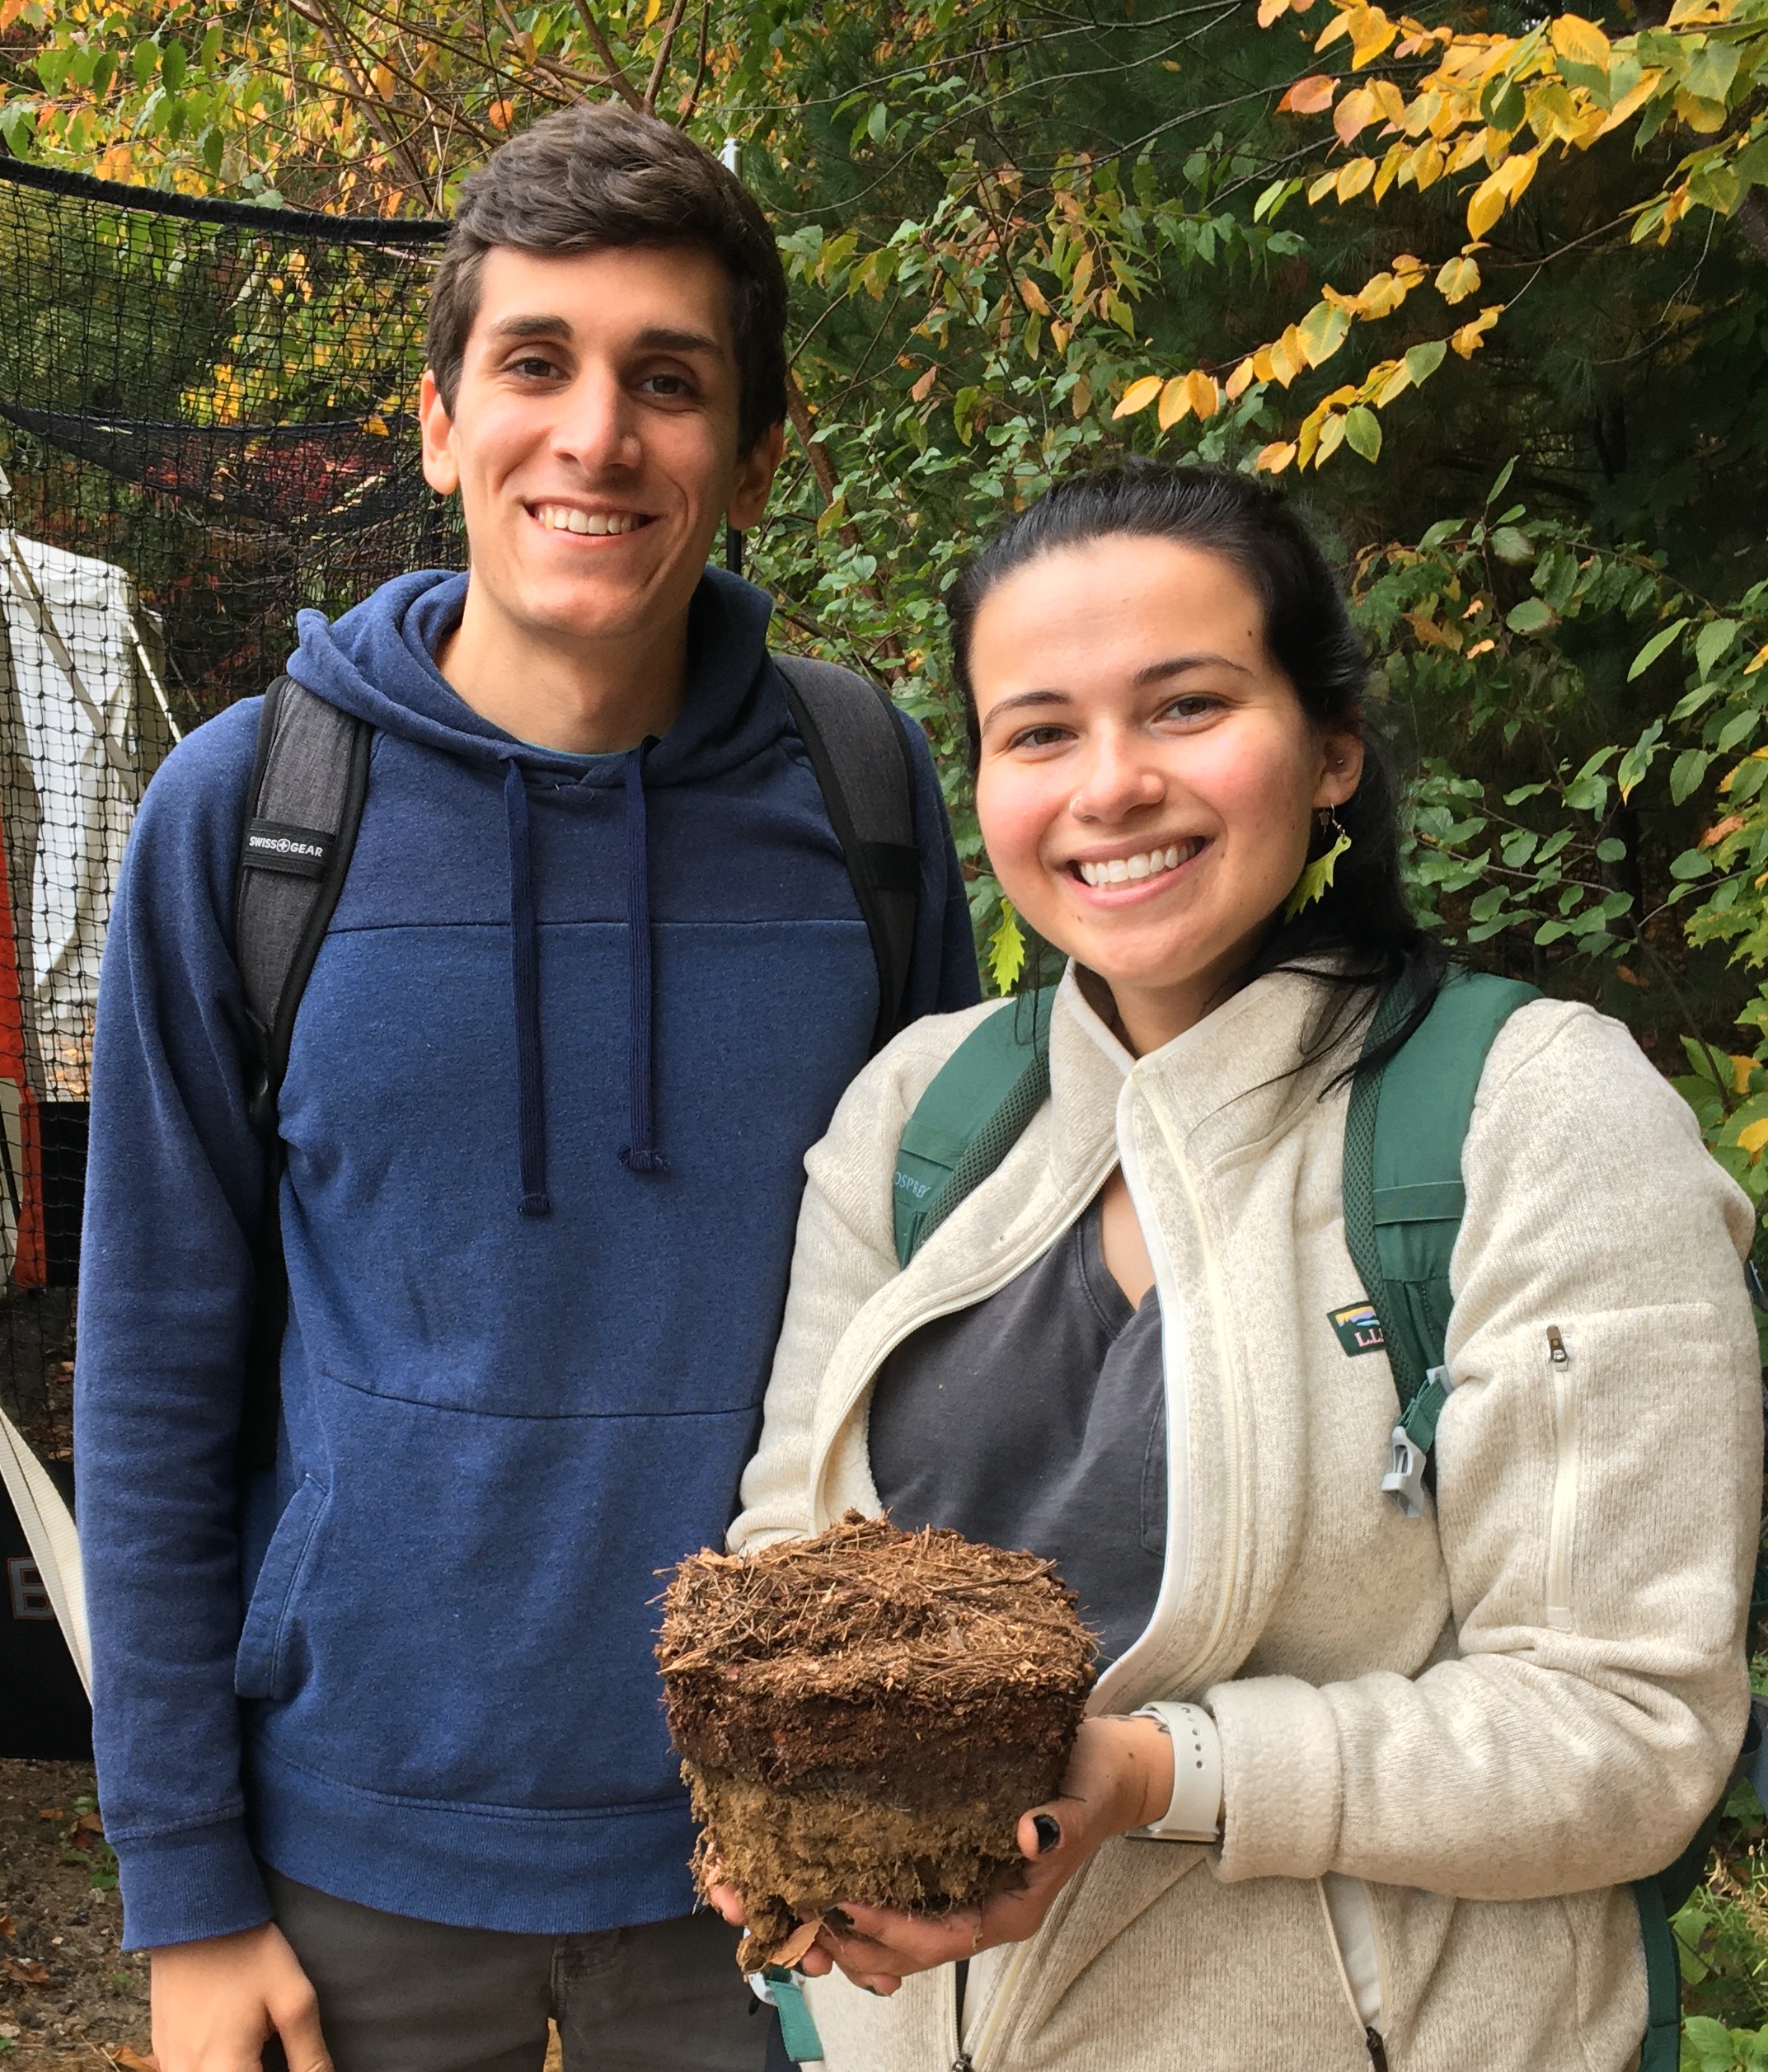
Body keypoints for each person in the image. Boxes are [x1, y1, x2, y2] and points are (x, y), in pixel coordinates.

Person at [73, 105, 979, 2072]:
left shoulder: (863, 798)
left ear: (749, 461)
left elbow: (957, 1312)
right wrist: (186, 1887)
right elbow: (147, 1366)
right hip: (351, 1849)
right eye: (537, 364)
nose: (595, 436)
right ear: (437, 422)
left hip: (779, 1858)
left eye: (668, 381)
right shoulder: (247, 821)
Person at [722, 462, 1762, 2070]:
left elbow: (1623, 1739)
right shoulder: (914, 1120)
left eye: (1186, 704)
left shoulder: (1536, 1119)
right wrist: (776, 1823)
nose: (1110, 785)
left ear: (1328, 748)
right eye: (1039, 730)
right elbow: (786, 1576)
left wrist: (1152, 1774)